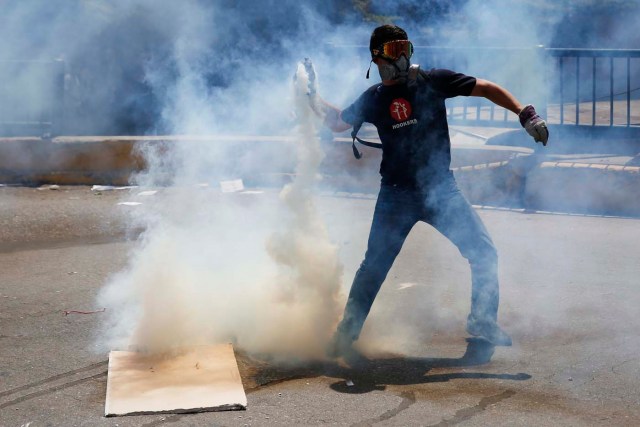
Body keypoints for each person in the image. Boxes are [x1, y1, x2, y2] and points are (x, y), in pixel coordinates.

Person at [314, 24, 548, 359]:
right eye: (395, 50)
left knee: (483, 252)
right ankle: (345, 334)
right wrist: (311, 97)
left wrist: (525, 113)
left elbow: (486, 88)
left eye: (405, 47)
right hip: (396, 195)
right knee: (373, 267)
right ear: (377, 58)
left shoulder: (432, 80)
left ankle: (482, 320)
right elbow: (337, 121)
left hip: (441, 191)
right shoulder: (374, 99)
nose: (404, 56)